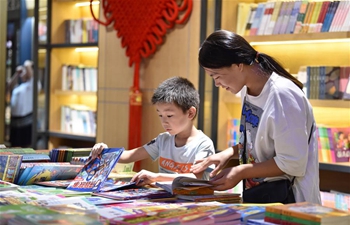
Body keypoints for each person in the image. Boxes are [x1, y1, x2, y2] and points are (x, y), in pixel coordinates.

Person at [191, 30, 321, 204]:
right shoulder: (248, 88)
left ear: (238, 65)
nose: (217, 84)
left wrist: (241, 171)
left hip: (292, 204)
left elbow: (292, 162)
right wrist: (230, 153)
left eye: (217, 76)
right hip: (264, 198)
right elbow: (264, 142)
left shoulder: (283, 95)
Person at [91, 76, 215, 186]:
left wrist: (156, 177)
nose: (164, 122)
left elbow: (195, 178)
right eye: (160, 116)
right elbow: (129, 156)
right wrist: (105, 151)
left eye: (169, 116)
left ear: (190, 113)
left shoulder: (203, 144)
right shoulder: (163, 139)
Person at [6, 60, 36, 147]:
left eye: (26, 70)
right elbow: (9, 86)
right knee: (14, 147)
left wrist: (26, 66)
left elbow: (28, 65)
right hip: (15, 122)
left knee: (25, 147)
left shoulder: (33, 84)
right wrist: (17, 74)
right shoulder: (19, 86)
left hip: (26, 122)